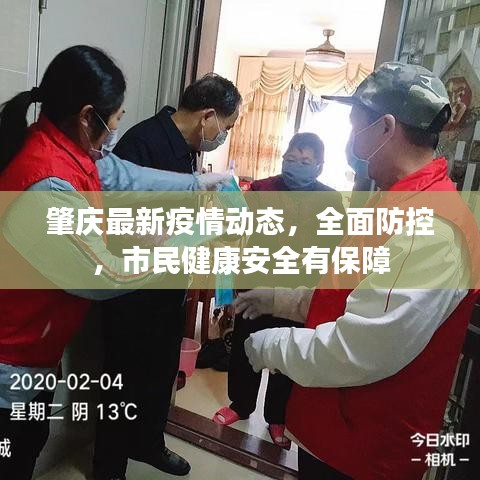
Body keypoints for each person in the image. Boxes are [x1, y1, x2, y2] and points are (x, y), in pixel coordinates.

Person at [235, 62, 480, 479]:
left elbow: (360, 348)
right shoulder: (396, 201)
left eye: (354, 126)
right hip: (334, 428)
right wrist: (283, 300)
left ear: (385, 128)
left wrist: (270, 345)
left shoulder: (433, 229)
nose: (352, 142)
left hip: (367, 450)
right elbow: (354, 291)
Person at [0, 45, 227, 480]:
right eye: (116, 117)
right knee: (13, 454)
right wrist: (191, 236)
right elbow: (106, 276)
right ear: (88, 116)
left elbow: (122, 174)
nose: (117, 128)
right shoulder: (48, 182)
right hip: (11, 358)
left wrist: (198, 182)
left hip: (33, 351)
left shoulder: (66, 147)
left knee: (24, 447)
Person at [93, 74, 242, 478]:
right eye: (225, 127)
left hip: (168, 287)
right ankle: (109, 466)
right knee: (122, 379)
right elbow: (117, 222)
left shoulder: (189, 151)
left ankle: (148, 444)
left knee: (160, 374)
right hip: (132, 291)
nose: (222, 136)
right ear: (207, 116)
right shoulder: (142, 143)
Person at [212, 133, 345, 450]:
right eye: (291, 159)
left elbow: (334, 249)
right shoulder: (261, 189)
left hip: (296, 292)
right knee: (245, 346)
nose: (296, 165)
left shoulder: (330, 200)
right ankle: (241, 404)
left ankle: (277, 417)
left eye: (305, 161)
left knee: (287, 354)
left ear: (319, 166)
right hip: (256, 281)